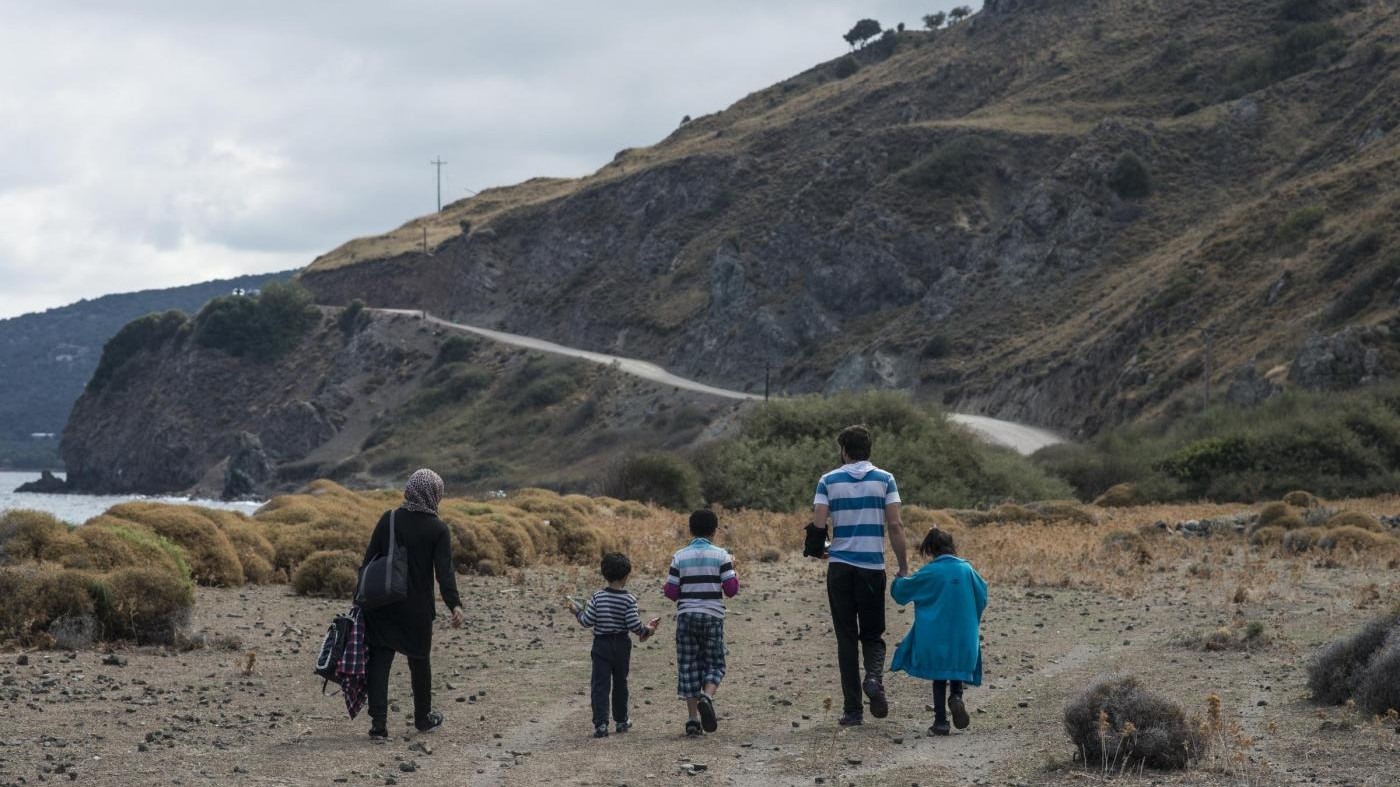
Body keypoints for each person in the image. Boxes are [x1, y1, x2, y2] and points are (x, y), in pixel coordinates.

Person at [811, 424, 909, 726]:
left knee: (845, 638)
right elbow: (895, 526)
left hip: (840, 568)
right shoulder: (885, 479)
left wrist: (822, 548)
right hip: (871, 567)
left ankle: (852, 710)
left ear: (844, 450)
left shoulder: (828, 480)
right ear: (869, 449)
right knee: (873, 634)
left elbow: (818, 526)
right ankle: (874, 679)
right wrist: (903, 566)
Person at [360, 468, 464, 739]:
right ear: (435, 494)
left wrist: (360, 600)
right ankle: (422, 718)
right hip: (416, 608)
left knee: (380, 663)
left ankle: (379, 726)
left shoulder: (389, 519)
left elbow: (369, 561)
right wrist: (454, 604)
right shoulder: (438, 529)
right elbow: (444, 572)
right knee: (419, 663)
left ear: (410, 489)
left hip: (382, 603)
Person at [890, 527, 987, 736]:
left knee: (939, 676)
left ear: (931, 550)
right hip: (964, 636)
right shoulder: (968, 570)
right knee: (955, 670)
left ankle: (941, 722)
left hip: (935, 636)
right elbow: (982, 595)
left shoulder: (930, 572)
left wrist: (898, 578)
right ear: (952, 546)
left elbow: (902, 593)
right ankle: (957, 697)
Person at [664, 510, 739, 736]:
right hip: (712, 616)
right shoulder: (722, 556)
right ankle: (707, 696)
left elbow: (671, 592)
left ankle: (692, 720)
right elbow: (731, 590)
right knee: (715, 662)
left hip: (686, 616)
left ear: (690, 529)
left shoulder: (680, 556)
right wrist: (733, 570)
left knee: (688, 665)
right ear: (714, 531)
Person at [569, 552, 660, 738]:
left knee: (600, 684)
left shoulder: (597, 597)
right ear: (626, 576)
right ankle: (621, 720)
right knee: (620, 683)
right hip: (621, 645)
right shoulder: (629, 599)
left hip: (601, 644)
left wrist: (577, 612)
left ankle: (601, 724)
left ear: (604, 574)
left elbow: (587, 621)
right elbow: (634, 625)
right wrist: (648, 630)